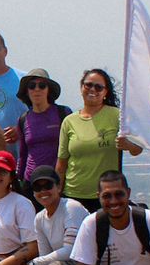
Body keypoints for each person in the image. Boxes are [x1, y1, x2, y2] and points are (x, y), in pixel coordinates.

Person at [56, 69, 142, 212]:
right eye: (88, 85)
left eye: (98, 87)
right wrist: (58, 191)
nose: (92, 90)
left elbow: (137, 149)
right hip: (73, 195)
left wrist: (127, 145)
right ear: (81, 87)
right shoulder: (69, 121)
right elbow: (62, 163)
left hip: (108, 195)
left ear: (105, 92)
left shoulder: (117, 116)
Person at [12, 69, 71, 182]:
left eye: (42, 85)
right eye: (32, 86)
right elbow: (23, 154)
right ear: (27, 91)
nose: (37, 89)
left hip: (57, 180)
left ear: (48, 90)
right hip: (30, 181)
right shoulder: (23, 119)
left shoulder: (63, 113)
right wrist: (18, 180)